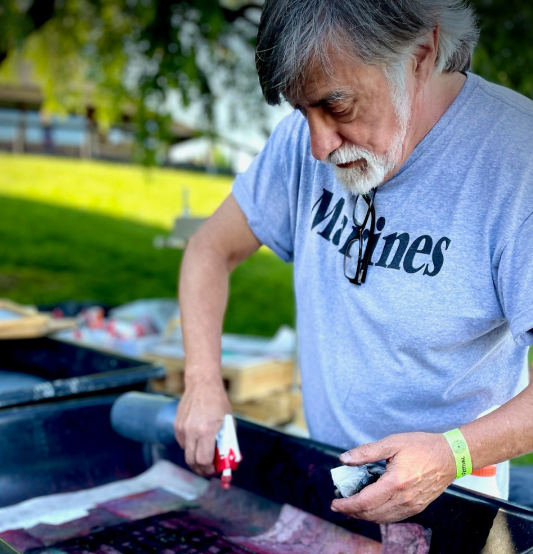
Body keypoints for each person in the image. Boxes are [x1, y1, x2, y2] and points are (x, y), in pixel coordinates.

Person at [174, 0, 533, 524]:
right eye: (303, 112)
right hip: (328, 471)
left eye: (338, 107)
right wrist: (202, 381)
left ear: (421, 53)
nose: (319, 146)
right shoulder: (303, 144)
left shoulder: (515, 161)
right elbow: (209, 249)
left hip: (455, 494)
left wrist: (451, 453)